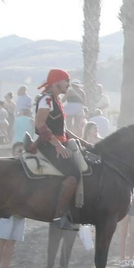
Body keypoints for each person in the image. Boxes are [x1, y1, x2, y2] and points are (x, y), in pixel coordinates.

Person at [33, 69, 89, 229]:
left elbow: (63, 130)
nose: (68, 84)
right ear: (56, 82)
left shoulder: (56, 101)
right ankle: (59, 216)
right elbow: (39, 124)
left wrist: (84, 143)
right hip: (48, 145)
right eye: (66, 81)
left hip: (60, 142)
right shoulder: (46, 100)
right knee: (74, 173)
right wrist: (57, 145)